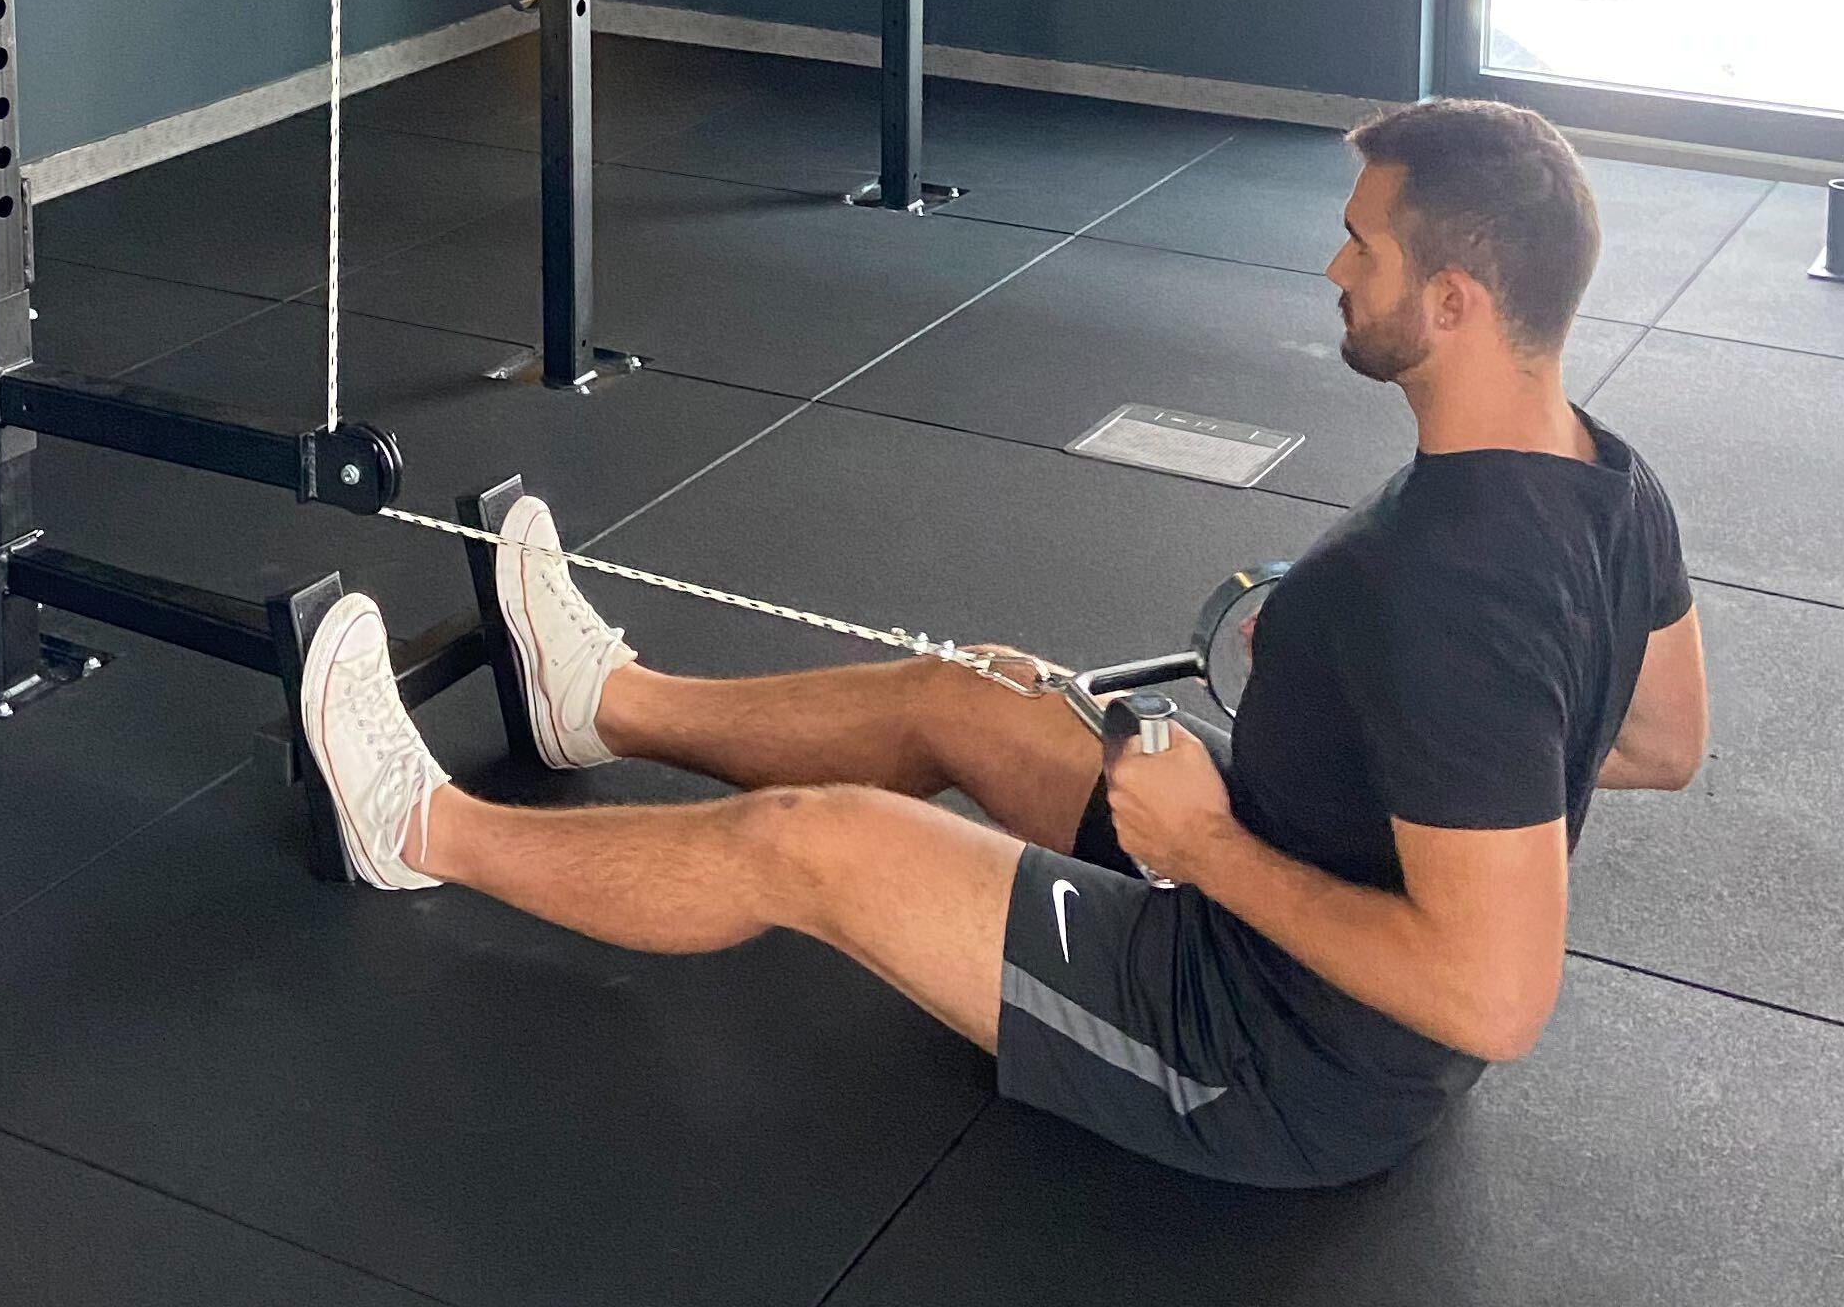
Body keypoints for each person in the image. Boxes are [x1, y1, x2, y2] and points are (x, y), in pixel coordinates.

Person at [298, 96, 1708, 1189]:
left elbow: (1494, 997)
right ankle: (606, 704)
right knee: (964, 695)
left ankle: (420, 830)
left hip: (1269, 1052)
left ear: (1456, 303)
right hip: (1287, 877)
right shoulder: (1606, 479)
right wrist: (1383, 758)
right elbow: (1660, 743)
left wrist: (1209, 845)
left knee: (811, 845)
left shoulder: (1457, 600)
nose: (1334, 263)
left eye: (1368, 246)